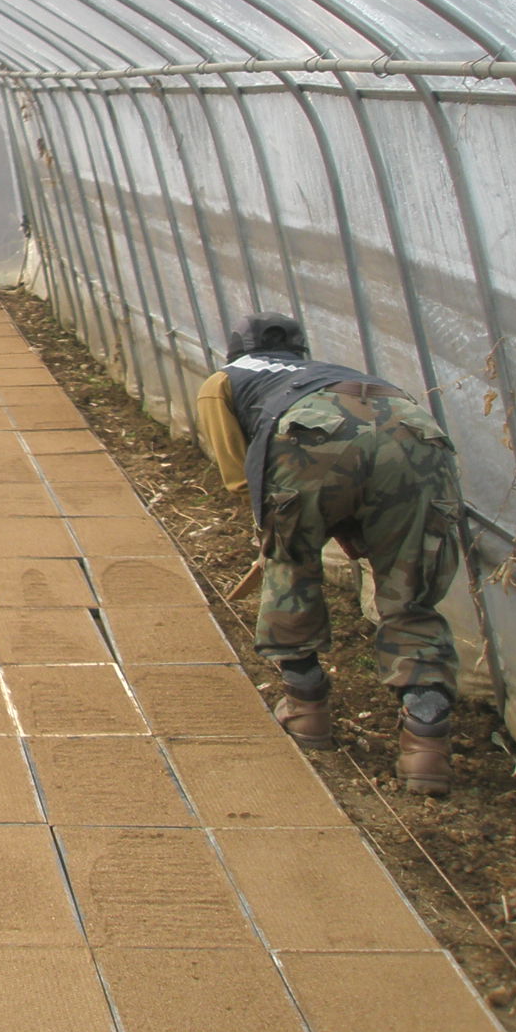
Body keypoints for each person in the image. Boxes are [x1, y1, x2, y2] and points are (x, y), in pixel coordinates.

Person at [196, 312, 463, 795]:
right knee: (410, 593)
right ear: (299, 351)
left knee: (291, 569)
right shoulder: (330, 371)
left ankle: (306, 707)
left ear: (235, 350)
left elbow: (238, 478)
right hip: (414, 431)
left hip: (308, 437)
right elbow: (369, 450)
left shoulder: (224, 381)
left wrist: (285, 531)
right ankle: (426, 738)